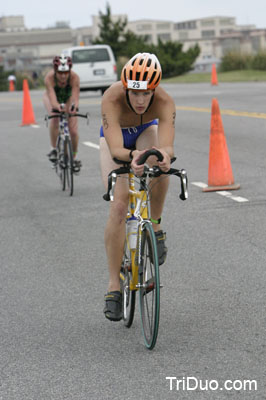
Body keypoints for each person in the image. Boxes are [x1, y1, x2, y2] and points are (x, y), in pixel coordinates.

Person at [100, 52, 176, 321]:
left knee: (158, 162)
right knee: (119, 206)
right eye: (135, 93)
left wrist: (164, 156)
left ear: (155, 90)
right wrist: (130, 157)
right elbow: (116, 148)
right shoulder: (111, 97)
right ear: (126, 88)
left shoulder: (165, 101)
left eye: (147, 93)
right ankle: (113, 286)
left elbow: (167, 146)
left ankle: (155, 225)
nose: (141, 100)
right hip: (117, 139)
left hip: (146, 132)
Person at [43, 54, 82, 173]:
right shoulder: (49, 78)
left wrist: (74, 107)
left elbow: (75, 95)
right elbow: (52, 96)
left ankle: (73, 157)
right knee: (55, 117)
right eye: (60, 73)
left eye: (66, 72)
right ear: (55, 71)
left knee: (74, 132)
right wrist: (57, 107)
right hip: (53, 98)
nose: (63, 76)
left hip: (67, 97)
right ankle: (54, 149)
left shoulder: (75, 77)